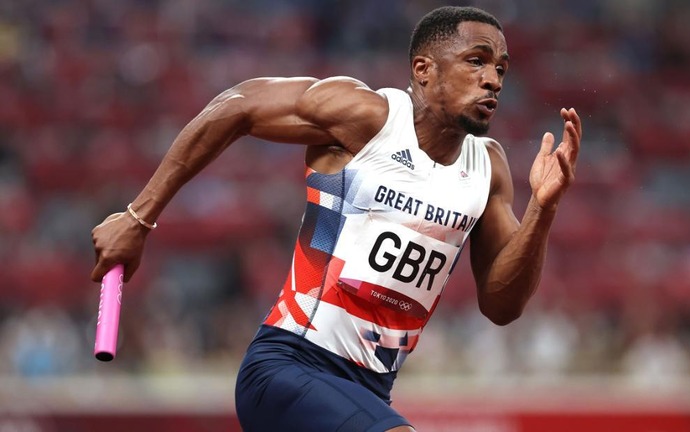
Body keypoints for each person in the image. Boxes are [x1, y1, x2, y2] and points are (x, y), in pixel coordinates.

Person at [90, 6, 582, 432]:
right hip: (288, 367)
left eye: (501, 68)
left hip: (369, 393)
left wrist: (543, 209)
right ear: (424, 69)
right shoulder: (366, 117)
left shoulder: (487, 169)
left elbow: (502, 305)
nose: (493, 78)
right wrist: (138, 217)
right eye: (476, 61)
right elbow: (236, 106)